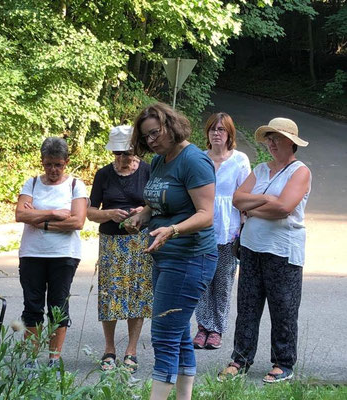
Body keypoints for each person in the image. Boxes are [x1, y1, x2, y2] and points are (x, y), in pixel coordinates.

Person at [125, 103, 217, 400]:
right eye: (146, 136)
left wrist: (173, 230)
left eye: (155, 132)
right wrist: (144, 215)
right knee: (177, 336)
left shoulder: (194, 161)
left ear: (171, 125)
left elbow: (206, 214)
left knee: (164, 335)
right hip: (166, 256)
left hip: (191, 257)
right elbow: (160, 200)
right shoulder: (161, 159)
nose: (151, 140)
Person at [218, 117, 311, 383]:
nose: (271, 143)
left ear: (290, 143)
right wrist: (266, 200)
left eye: (276, 138)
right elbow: (237, 199)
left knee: (283, 308)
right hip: (250, 248)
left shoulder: (300, 171)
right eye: (269, 138)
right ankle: (240, 359)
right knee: (247, 306)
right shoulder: (260, 169)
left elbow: (284, 208)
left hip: (283, 251)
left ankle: (283, 363)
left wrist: (253, 208)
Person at [15, 137, 88, 368]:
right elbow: (20, 215)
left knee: (58, 306)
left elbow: (77, 221)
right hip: (32, 253)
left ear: (66, 162)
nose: (53, 170)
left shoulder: (76, 185)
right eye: (48, 164)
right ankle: (31, 359)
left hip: (64, 255)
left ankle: (54, 358)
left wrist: (40, 217)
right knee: (33, 306)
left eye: (58, 164)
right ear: (42, 162)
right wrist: (55, 213)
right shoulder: (32, 183)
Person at [87, 125, 153, 373]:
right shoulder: (103, 174)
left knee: (137, 294)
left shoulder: (147, 171)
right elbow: (90, 212)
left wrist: (142, 211)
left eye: (128, 153)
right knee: (110, 295)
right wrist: (108, 213)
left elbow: (159, 205)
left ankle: (131, 351)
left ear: (136, 149)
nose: (124, 159)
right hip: (111, 242)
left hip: (139, 241)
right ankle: (109, 349)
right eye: (118, 154)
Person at [193, 113, 251, 350]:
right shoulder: (199, 158)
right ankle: (203, 326)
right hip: (201, 228)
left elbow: (246, 195)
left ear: (230, 134)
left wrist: (244, 227)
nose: (217, 133)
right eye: (212, 129)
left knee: (223, 281)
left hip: (228, 230)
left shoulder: (239, 160)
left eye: (222, 129)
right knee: (201, 279)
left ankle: (217, 328)